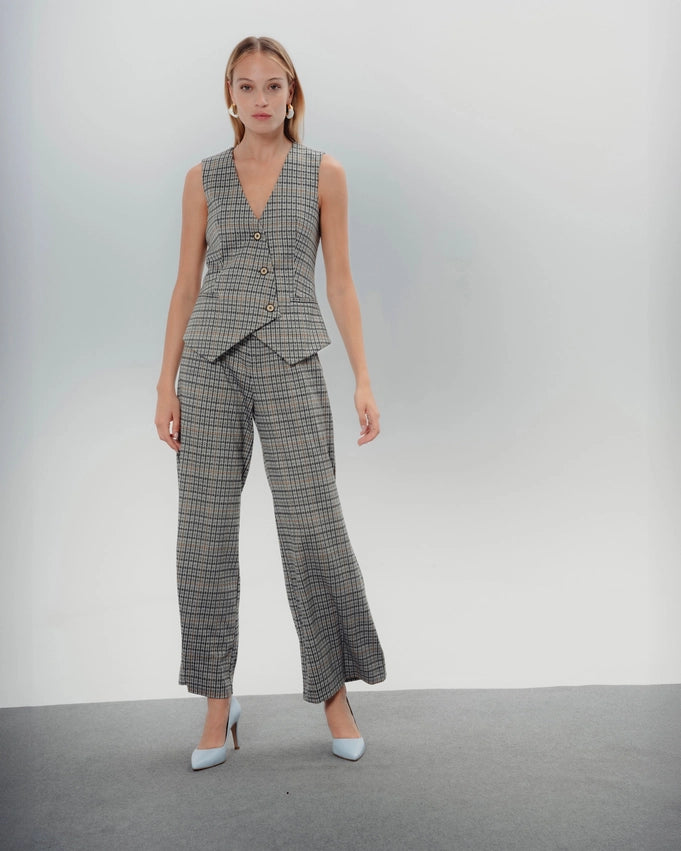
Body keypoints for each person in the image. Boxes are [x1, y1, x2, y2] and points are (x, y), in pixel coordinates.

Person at [154, 35, 386, 770]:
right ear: (230, 96)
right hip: (210, 367)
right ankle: (216, 702)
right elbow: (186, 285)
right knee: (204, 535)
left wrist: (362, 377)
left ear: (291, 95)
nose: (261, 98)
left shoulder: (323, 173)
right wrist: (165, 382)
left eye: (273, 86)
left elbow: (340, 280)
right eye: (247, 86)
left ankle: (334, 693)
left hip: (291, 359)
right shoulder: (202, 178)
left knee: (313, 525)